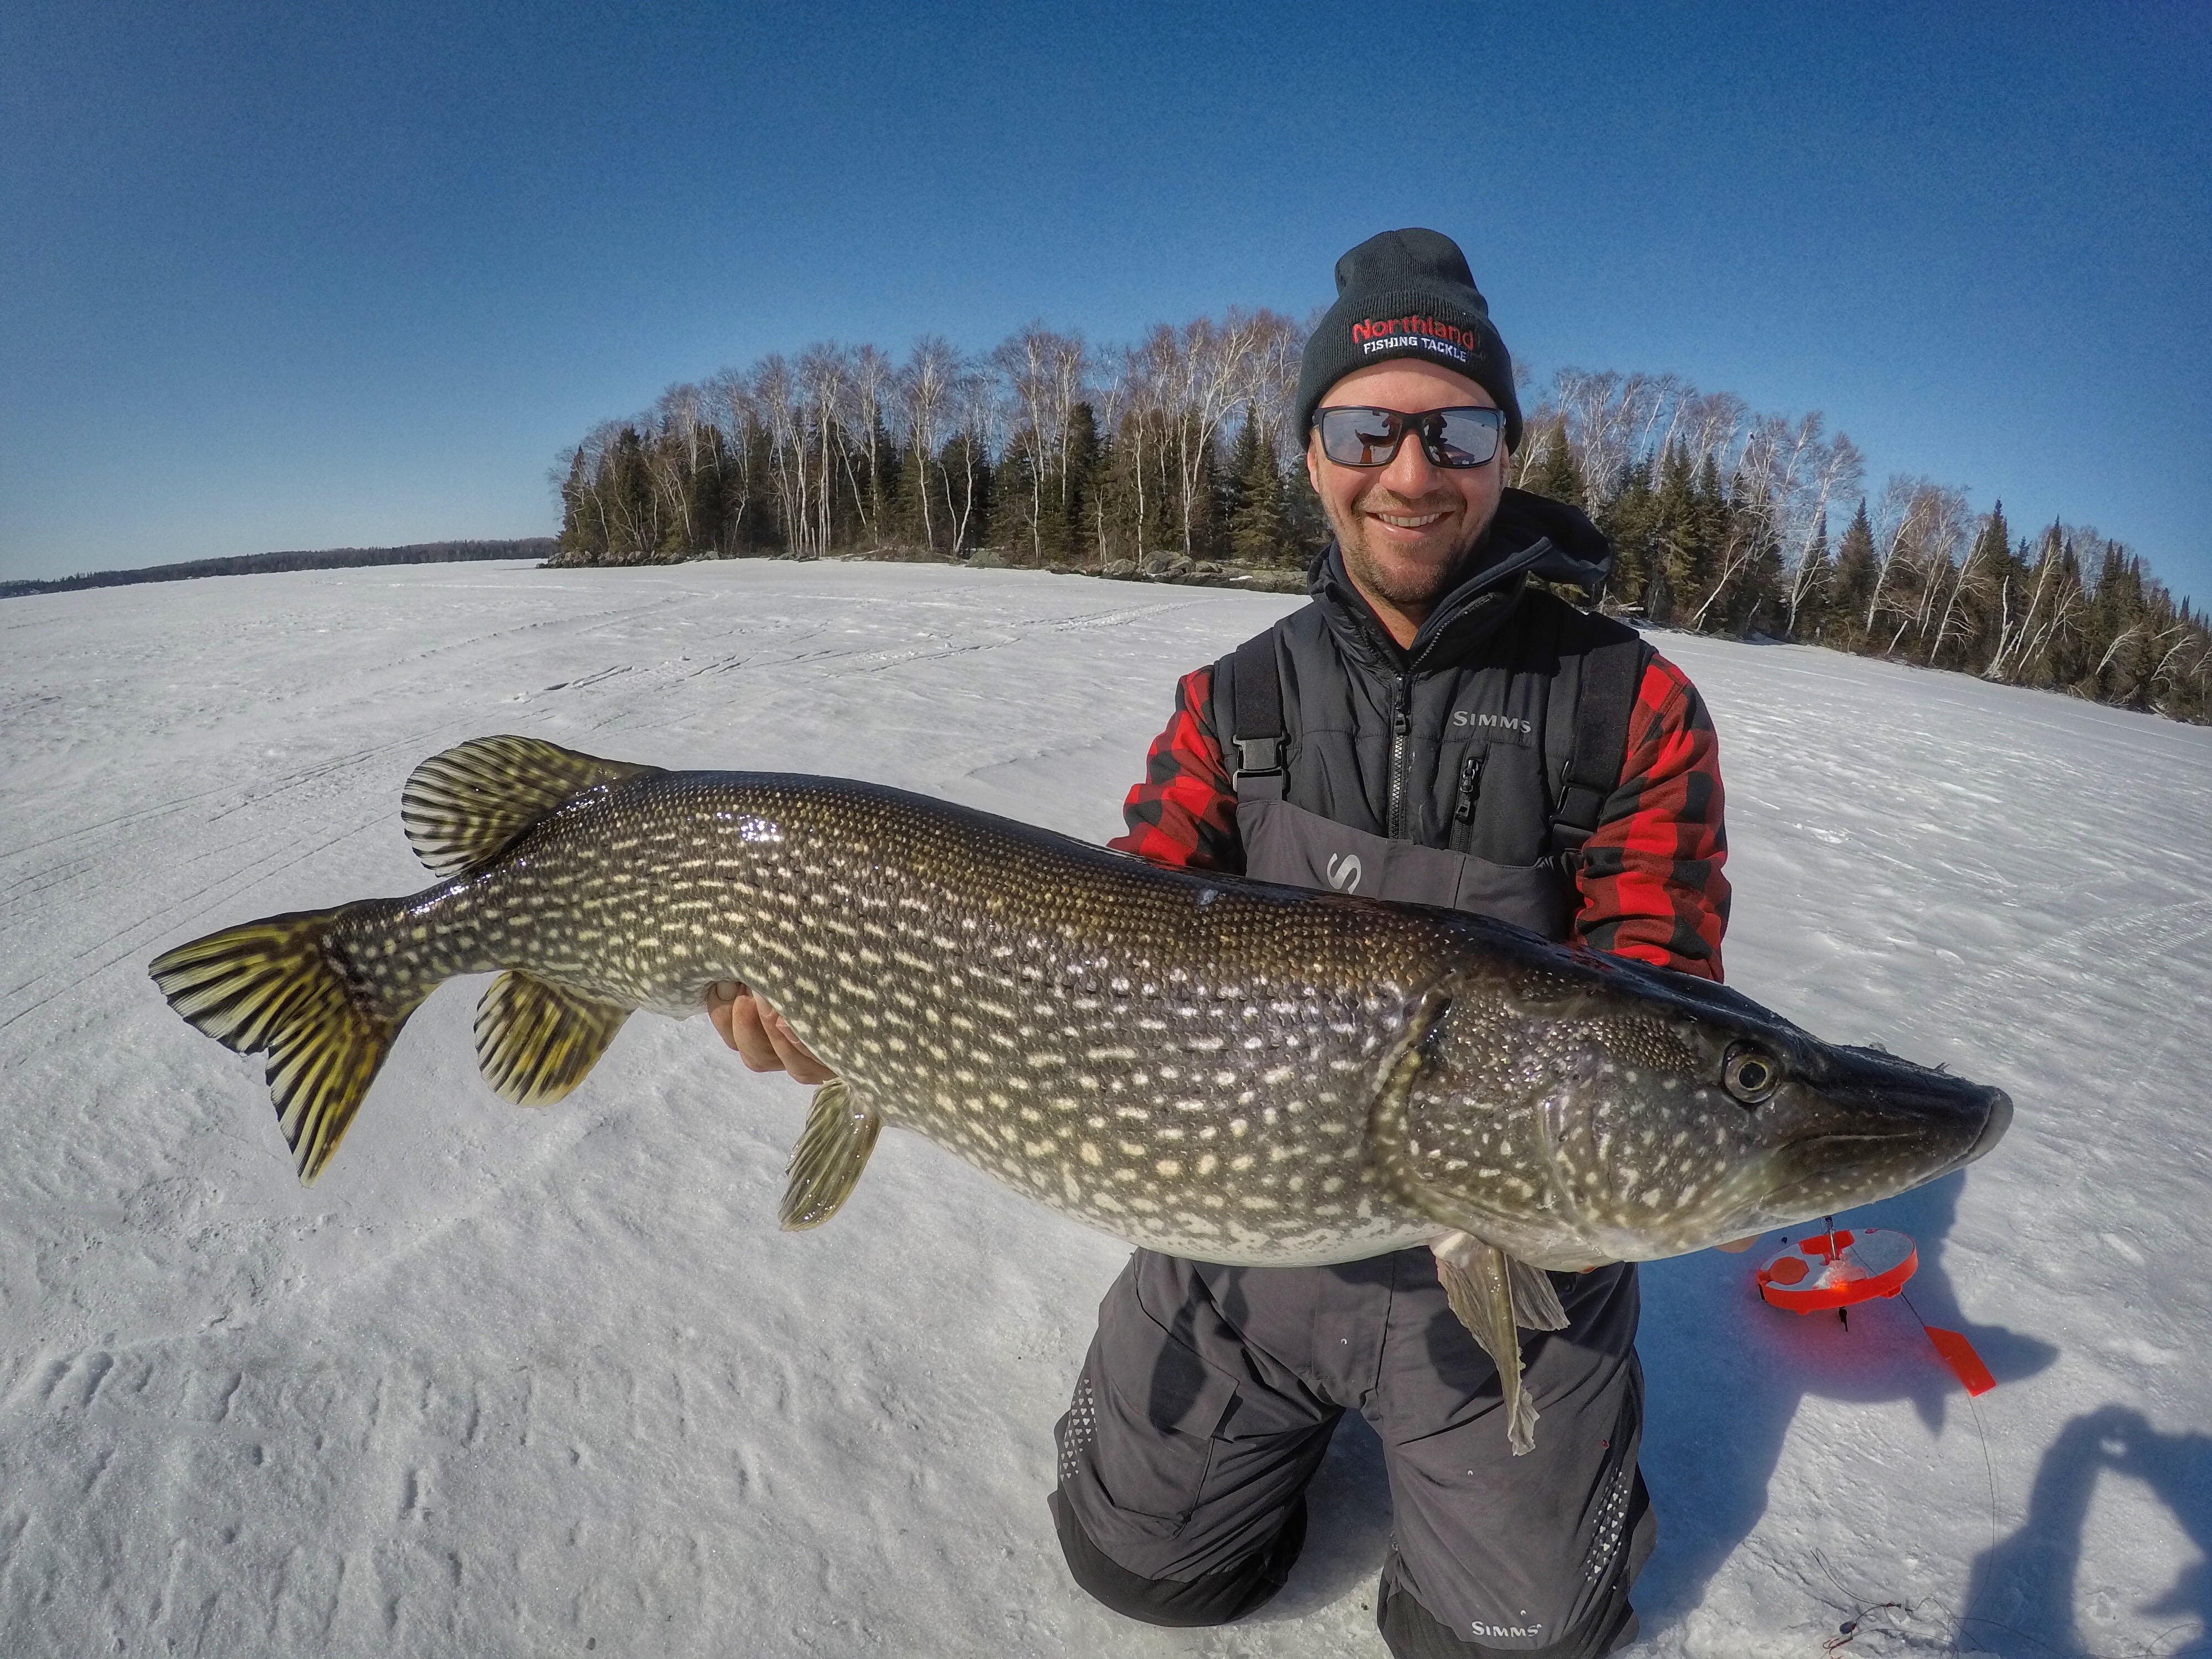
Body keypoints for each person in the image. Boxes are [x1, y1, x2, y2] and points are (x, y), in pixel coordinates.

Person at [709, 227, 1729, 1658]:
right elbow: (1106, 954)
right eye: (1366, 428)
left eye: (1458, 429)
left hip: (1508, 1259)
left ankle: (1557, 1482)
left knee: (1511, 1641)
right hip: (1242, 1235)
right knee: (1140, 1569)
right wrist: (862, 1018)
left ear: (1507, 449)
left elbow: (1655, 1014)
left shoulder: (1629, 709)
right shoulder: (1232, 701)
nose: (1412, 470)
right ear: (1313, 452)